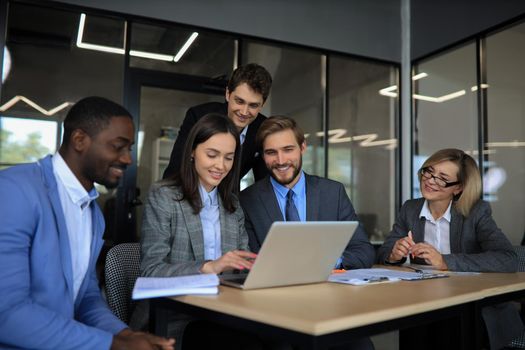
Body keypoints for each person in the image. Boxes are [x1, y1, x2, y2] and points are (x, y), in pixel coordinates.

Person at [0, 97, 175, 350]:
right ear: (80, 140)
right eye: (118, 146)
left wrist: (127, 336)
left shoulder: (92, 212)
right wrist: (113, 344)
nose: (128, 159)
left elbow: (86, 299)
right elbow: (7, 314)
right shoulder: (16, 190)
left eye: (130, 149)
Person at [131, 113, 259, 349]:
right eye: (212, 155)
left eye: (229, 158)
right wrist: (206, 267)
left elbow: (243, 263)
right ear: (192, 152)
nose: (221, 166)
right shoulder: (164, 196)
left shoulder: (231, 203)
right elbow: (151, 271)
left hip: (223, 311)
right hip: (174, 315)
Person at [377, 148, 521, 349]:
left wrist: (445, 261)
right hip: (421, 304)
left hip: (471, 310)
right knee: (415, 325)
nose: (430, 180)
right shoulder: (410, 208)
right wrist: (394, 255)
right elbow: (384, 253)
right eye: (429, 171)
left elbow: (507, 258)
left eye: (442, 178)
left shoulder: (475, 212)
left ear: (458, 188)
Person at [240, 116, 376, 270]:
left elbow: (364, 252)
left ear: (303, 147)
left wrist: (326, 261)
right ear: (263, 156)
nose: (281, 160)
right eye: (271, 152)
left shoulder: (332, 193)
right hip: (274, 292)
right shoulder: (247, 201)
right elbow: (248, 260)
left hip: (327, 291)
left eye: (288, 149)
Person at [162, 63, 272, 182]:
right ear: (227, 94)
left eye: (253, 105)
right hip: (189, 192)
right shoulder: (199, 116)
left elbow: (264, 182)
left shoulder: (264, 129)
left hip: (229, 197)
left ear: (263, 104)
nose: (244, 112)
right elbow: (175, 169)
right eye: (239, 101)